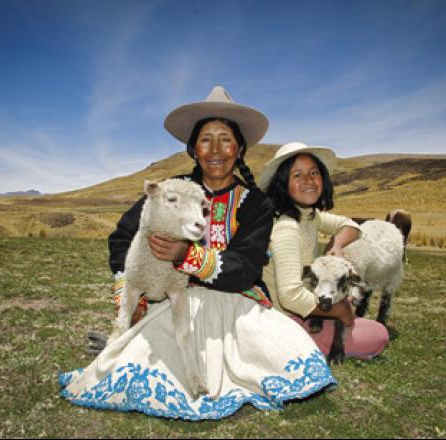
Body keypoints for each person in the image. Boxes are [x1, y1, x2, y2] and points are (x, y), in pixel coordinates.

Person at [60, 87, 337, 420]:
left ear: (239, 148)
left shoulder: (255, 204)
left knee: (294, 356)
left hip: (237, 306)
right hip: (173, 304)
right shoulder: (170, 191)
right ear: (193, 149)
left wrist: (185, 255)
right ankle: (132, 342)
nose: (216, 150)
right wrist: (133, 301)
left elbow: (245, 268)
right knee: (141, 365)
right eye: (206, 140)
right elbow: (123, 238)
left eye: (226, 139)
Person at [259, 142, 390, 360]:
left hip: (305, 311)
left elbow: (350, 226)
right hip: (287, 320)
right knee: (379, 334)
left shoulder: (310, 215)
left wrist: (336, 244)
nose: (308, 181)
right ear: (283, 184)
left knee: (366, 327)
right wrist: (341, 310)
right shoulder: (286, 227)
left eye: (314, 173)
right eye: (297, 175)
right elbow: (290, 297)